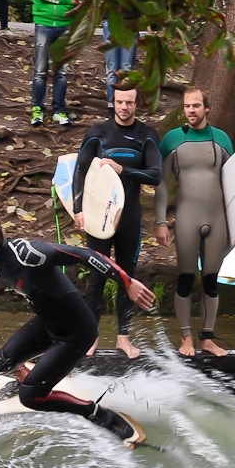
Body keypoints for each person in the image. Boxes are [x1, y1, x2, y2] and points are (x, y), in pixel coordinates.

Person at [0, 208, 156, 442]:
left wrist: (126, 282)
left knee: (31, 398)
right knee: (1, 365)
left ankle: (95, 413)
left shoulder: (28, 254)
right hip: (49, 323)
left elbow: (86, 255)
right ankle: (28, 379)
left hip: (77, 332)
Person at [72, 87, 161, 358]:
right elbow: (79, 170)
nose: (124, 107)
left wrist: (124, 170)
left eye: (130, 102)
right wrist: (78, 209)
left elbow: (155, 175)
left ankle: (123, 337)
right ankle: (91, 337)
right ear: (113, 102)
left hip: (130, 217)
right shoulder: (97, 133)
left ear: (137, 103)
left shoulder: (147, 135)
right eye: (120, 101)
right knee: (97, 276)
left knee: (127, 276)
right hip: (99, 217)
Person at [155, 87, 234, 357]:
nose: (191, 110)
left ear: (207, 109)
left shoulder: (222, 139)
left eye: (196, 106)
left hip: (218, 219)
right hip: (187, 218)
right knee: (186, 279)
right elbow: (163, 185)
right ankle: (186, 337)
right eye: (187, 106)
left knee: (211, 280)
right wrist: (161, 222)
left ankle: (208, 338)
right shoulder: (172, 140)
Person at [28, 0, 81, 127]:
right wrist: (67, 1)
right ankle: (37, 109)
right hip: (44, 23)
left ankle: (59, 110)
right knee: (41, 70)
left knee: (62, 72)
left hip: (65, 25)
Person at [101, 0, 141, 117]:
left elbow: (136, 3)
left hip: (130, 26)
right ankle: (112, 107)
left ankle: (125, 106)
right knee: (111, 68)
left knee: (125, 68)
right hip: (111, 24)